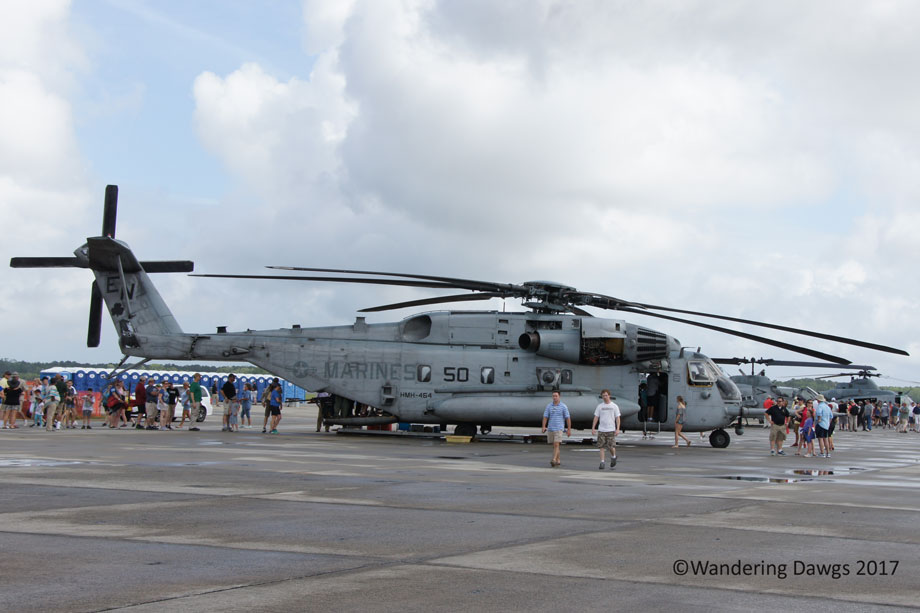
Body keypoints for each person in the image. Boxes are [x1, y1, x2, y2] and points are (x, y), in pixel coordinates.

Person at [591, 389, 620, 469]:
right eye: (603, 396)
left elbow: (617, 418)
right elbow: (596, 417)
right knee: (601, 447)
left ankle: (613, 456)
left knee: (611, 446)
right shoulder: (600, 406)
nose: (605, 397)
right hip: (601, 429)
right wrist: (593, 428)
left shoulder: (614, 406)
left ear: (609, 396)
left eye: (606, 395)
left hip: (611, 429)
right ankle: (602, 462)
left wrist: (617, 429)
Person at [541, 391, 571, 467]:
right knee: (554, 445)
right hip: (551, 428)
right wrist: (544, 426)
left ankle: (553, 459)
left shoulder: (563, 406)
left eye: (556, 396)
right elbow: (545, 416)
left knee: (556, 444)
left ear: (559, 397)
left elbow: (567, 418)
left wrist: (569, 429)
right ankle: (558, 460)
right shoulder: (549, 406)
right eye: (553, 396)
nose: (554, 397)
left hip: (559, 428)